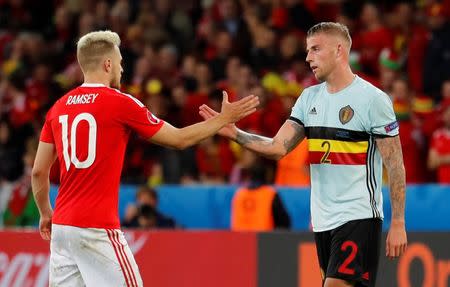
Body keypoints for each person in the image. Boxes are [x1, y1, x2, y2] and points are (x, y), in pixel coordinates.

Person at [31, 30, 258, 287]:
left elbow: (39, 171)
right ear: (107, 64)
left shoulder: (58, 107)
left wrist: (45, 212)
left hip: (62, 228)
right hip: (96, 228)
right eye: (119, 63)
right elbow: (179, 139)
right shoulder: (120, 102)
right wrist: (223, 120)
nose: (121, 69)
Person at [200, 22, 407, 287]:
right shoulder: (309, 98)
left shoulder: (372, 99)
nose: (308, 57)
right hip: (322, 222)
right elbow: (278, 147)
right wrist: (237, 135)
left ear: (339, 51)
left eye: (316, 49)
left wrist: (398, 221)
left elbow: (395, 162)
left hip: (359, 216)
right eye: (308, 50)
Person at [231, 163, 291, 231]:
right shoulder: (270, 194)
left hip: (238, 238)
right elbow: (284, 222)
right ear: (266, 176)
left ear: (250, 176)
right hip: (263, 239)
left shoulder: (239, 194)